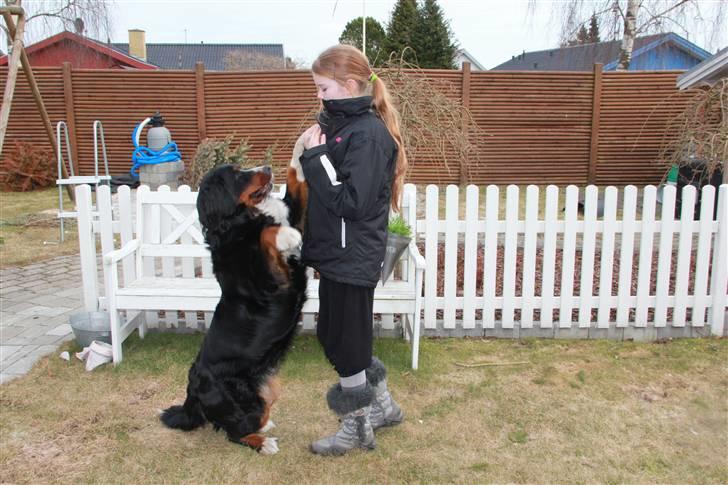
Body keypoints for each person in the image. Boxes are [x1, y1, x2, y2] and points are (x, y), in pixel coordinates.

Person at [297, 44, 408, 456]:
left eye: (324, 89)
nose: (319, 97)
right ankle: (383, 406)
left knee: (344, 341)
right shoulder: (345, 127)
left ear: (348, 85)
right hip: (338, 254)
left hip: (353, 256)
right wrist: (321, 149)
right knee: (339, 335)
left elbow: (351, 202)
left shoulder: (369, 135)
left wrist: (317, 156)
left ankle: (357, 426)